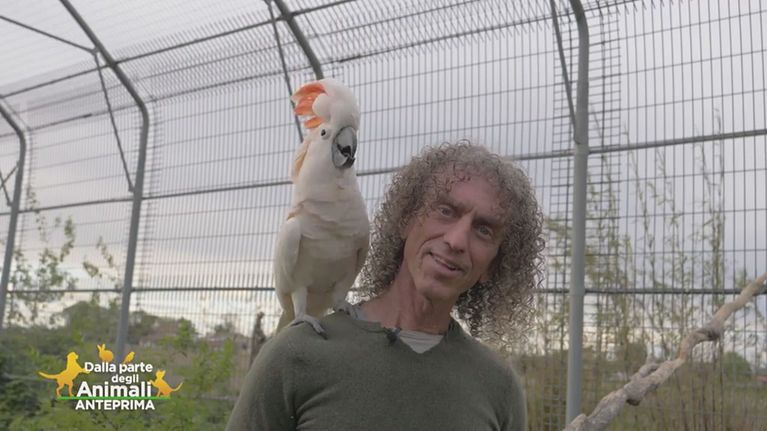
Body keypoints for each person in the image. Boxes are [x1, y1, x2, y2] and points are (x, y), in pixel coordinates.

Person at [227, 142, 544, 431]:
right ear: (406, 219)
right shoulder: (297, 354)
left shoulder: (498, 387)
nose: (457, 240)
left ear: (494, 265)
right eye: (446, 211)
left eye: (484, 230)